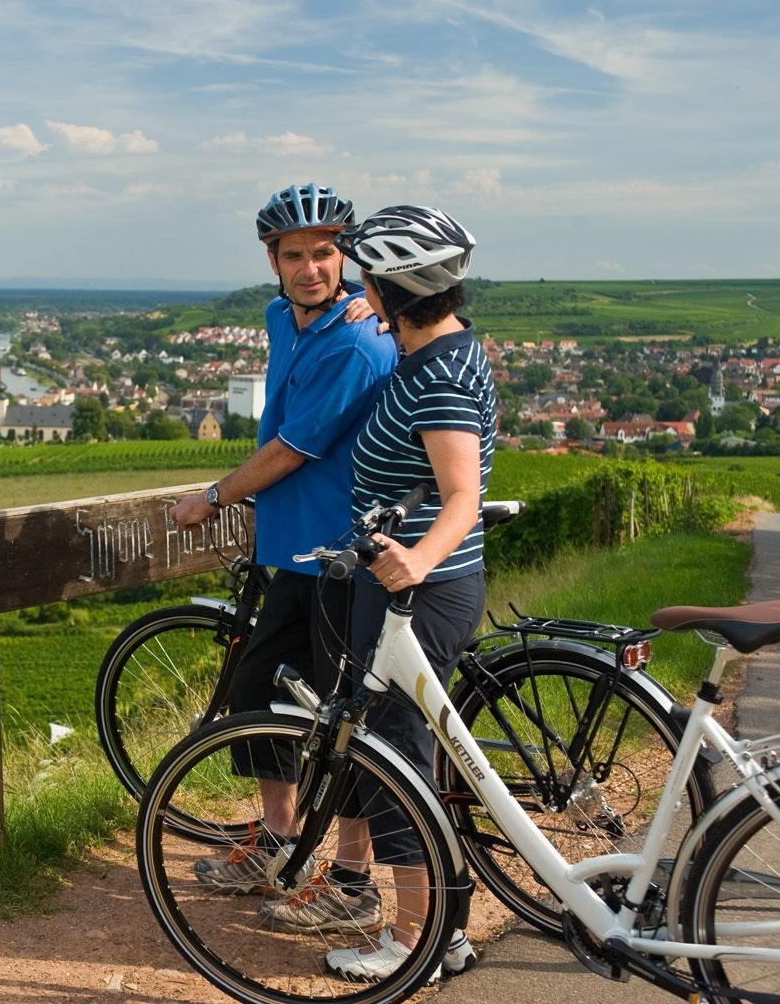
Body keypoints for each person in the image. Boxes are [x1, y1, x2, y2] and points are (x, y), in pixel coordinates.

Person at [271, 204, 495, 982]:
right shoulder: (447, 348)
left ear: (394, 289)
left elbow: (461, 491)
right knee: (401, 753)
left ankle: (414, 941)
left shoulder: (436, 380)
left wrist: (417, 559)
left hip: (416, 593)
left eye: (369, 278)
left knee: (395, 759)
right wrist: (388, 311)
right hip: (422, 586)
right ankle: (441, 929)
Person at [168, 184, 396, 890]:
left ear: (346, 257)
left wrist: (213, 495)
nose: (310, 269)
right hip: (293, 546)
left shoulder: (360, 339)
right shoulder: (279, 316)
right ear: (272, 261)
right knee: (258, 692)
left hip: (343, 553)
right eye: (294, 255)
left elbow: (294, 447)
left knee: (343, 720)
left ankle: (353, 879)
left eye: (325, 254)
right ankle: (277, 842)